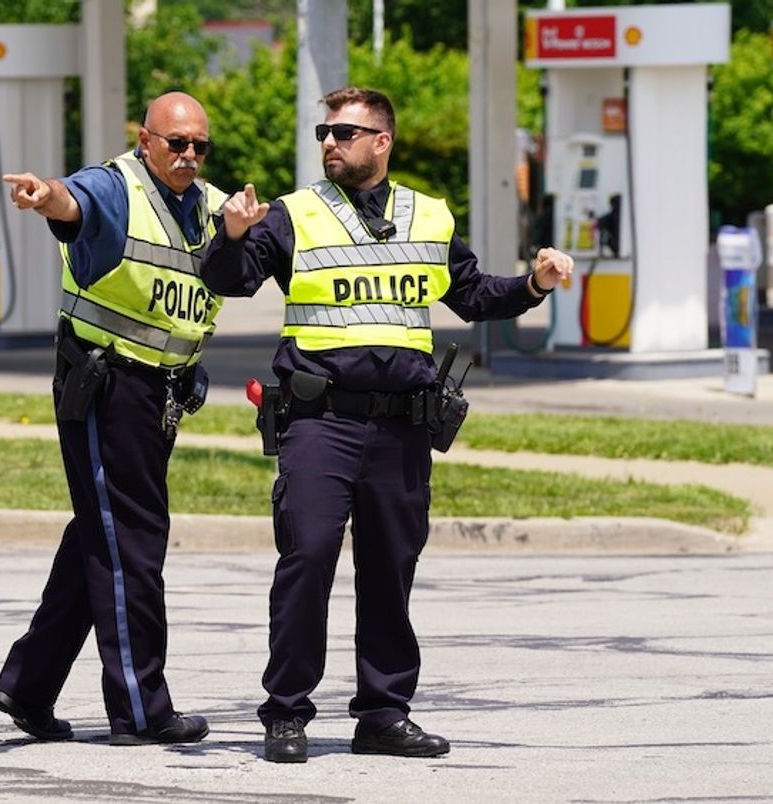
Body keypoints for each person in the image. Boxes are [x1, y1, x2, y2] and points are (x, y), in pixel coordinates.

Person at [200, 87, 574, 763]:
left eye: (346, 132)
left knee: (391, 570)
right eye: (325, 131)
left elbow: (469, 293)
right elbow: (231, 279)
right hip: (321, 422)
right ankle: (285, 712)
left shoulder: (427, 215)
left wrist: (533, 284)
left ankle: (382, 713)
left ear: (382, 142)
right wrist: (229, 235)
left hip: (402, 427)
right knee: (307, 559)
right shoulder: (294, 215)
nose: (330, 143)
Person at [0, 91, 226, 746]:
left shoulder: (203, 208)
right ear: (144, 138)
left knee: (103, 535)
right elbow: (74, 202)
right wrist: (46, 197)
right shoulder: (117, 186)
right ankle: (142, 710)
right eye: (176, 142)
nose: (188, 155)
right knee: (133, 543)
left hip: (160, 393)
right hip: (107, 385)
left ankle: (28, 685)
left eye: (199, 146)